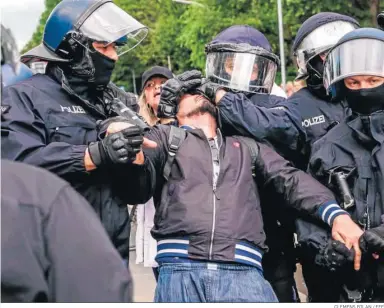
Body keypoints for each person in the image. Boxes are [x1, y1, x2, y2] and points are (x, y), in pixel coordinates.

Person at [123, 79, 363, 302]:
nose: (197, 95)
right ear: (174, 113)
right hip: (179, 270)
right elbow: (139, 171)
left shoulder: (246, 147)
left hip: (244, 272)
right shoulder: (165, 139)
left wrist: (337, 215)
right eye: (188, 94)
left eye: (200, 92)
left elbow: (291, 180)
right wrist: (129, 151)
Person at [157, 25, 306, 302]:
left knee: (281, 290)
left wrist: (223, 98)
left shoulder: (276, 104)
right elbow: (169, 150)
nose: (240, 73)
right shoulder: (205, 103)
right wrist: (169, 112)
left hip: (271, 229)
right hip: (218, 235)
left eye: (250, 67)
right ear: (216, 64)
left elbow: (281, 129)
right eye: (230, 63)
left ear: (263, 70)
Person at [1, 0, 152, 262]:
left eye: (115, 47)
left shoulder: (115, 102)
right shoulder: (24, 97)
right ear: (72, 47)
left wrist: (134, 157)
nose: (114, 56)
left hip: (111, 258)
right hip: (50, 258)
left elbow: (138, 194)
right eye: (103, 46)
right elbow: (19, 168)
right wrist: (96, 154)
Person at [300, 27, 384, 302]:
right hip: (349, 290)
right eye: (354, 83)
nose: (364, 90)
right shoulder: (327, 146)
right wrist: (326, 248)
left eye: (373, 80)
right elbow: (310, 207)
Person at [1, 160, 133, 302]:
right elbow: (26, 153)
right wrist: (90, 154)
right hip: (63, 235)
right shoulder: (41, 197)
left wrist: (136, 161)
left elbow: (138, 193)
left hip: (109, 244)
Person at [289, 12, 360, 162]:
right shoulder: (295, 107)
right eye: (327, 52)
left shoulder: (370, 94)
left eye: (345, 50)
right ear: (308, 61)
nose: (338, 58)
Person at [135, 65, 174, 278]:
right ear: (146, 98)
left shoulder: (191, 126)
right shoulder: (144, 134)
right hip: (156, 227)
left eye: (163, 84)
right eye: (150, 86)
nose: (157, 88)